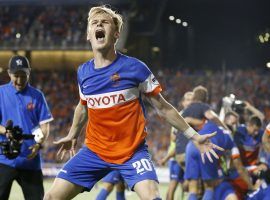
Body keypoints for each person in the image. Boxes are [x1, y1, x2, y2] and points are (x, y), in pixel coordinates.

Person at [44, 5, 223, 200]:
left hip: (132, 152)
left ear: (116, 34)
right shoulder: (83, 73)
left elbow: (163, 108)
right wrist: (72, 134)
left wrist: (194, 136)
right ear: (89, 34)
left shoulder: (135, 68)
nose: (99, 25)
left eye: (104, 22)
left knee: (153, 197)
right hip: (94, 152)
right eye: (94, 23)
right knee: (51, 197)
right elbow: (83, 105)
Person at [0, 55, 53, 200]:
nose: (19, 80)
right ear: (9, 73)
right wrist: (6, 131)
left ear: (29, 72)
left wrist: (39, 144)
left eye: (23, 75)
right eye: (16, 75)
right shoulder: (0, 93)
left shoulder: (37, 96)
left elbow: (45, 126)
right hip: (4, 159)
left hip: (30, 160)